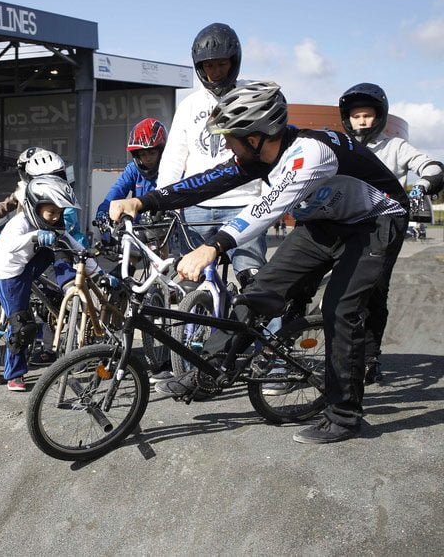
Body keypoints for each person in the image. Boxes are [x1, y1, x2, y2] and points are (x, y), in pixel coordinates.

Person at [110, 81, 409, 444]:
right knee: (260, 290)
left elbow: (264, 209)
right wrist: (146, 202)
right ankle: (210, 370)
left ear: (255, 138)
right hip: (328, 221)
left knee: (340, 309)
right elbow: (208, 181)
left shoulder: (309, 154)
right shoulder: (262, 152)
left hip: (377, 220)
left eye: (229, 137)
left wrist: (213, 247)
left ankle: (344, 417)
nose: (225, 145)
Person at [339, 82, 444, 383]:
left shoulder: (396, 146)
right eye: (356, 116)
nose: (361, 121)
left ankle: (370, 357)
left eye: (367, 115)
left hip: (383, 227)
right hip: (343, 225)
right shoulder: (341, 145)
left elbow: (430, 166)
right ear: (347, 118)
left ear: (380, 117)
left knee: (374, 292)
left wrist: (422, 184)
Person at [156, 22, 267, 287]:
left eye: (221, 65)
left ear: (234, 62)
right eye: (209, 66)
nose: (215, 72)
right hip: (197, 208)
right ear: (199, 67)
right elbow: (174, 157)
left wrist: (267, 197)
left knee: (254, 280)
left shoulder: (254, 95)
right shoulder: (189, 105)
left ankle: (270, 330)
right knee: (191, 282)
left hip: (245, 205)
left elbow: (270, 150)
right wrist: (162, 199)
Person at [0, 175, 101, 391]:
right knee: (21, 326)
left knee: (61, 245)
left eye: (59, 213)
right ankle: (14, 375)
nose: (55, 217)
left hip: (29, 265)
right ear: (35, 208)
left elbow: (77, 248)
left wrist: (99, 273)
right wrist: (36, 236)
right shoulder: (20, 223)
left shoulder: (54, 225)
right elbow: (11, 245)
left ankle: (66, 285)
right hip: (8, 274)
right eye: (51, 212)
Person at [0, 148, 85, 252]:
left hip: (66, 247)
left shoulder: (62, 195)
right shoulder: (24, 190)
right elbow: (5, 206)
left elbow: (61, 226)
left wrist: (0, 237)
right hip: (35, 245)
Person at [95, 118, 168, 225]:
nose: (147, 158)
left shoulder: (171, 169)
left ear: (161, 152)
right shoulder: (132, 169)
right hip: (138, 229)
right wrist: (103, 210)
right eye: (143, 155)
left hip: (168, 227)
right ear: (136, 156)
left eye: (152, 153)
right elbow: (118, 189)